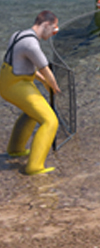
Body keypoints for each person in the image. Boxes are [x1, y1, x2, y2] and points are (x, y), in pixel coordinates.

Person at [1, 11, 61, 175]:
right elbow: (45, 69)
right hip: (16, 85)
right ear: (46, 25)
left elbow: (26, 66)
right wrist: (54, 87)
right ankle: (35, 166)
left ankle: (15, 149)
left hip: (8, 80)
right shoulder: (31, 45)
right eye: (54, 29)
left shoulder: (18, 35)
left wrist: (43, 82)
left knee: (31, 113)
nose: (54, 32)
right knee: (50, 121)